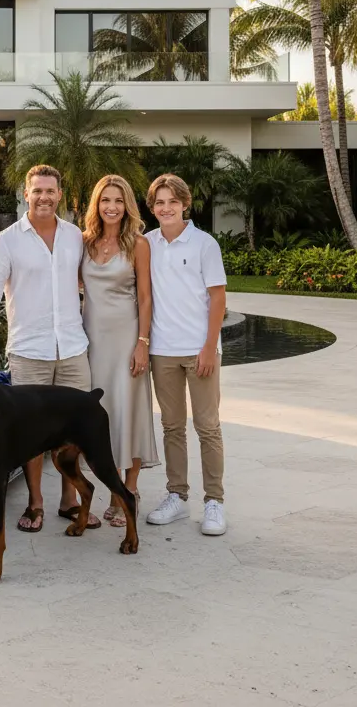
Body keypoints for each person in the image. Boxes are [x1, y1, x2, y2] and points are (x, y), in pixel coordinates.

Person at [0, 164, 99, 533]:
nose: (44, 197)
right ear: (25, 194)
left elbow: (95, 283)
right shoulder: (7, 240)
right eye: (37, 191)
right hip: (29, 351)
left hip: (73, 349)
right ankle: (36, 503)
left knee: (76, 430)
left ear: (60, 195)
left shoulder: (76, 237)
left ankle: (69, 501)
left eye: (50, 191)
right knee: (30, 436)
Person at [143, 173, 228, 536]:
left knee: (207, 427)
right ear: (152, 207)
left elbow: (218, 298)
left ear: (184, 204)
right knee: (171, 426)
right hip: (162, 351)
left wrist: (209, 347)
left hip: (199, 351)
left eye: (172, 202)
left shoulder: (204, 244)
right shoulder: (145, 244)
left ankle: (215, 502)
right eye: (159, 202)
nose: (166, 208)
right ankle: (177, 495)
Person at [80, 174, 158, 526]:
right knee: (101, 415)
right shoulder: (84, 242)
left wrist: (143, 343)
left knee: (129, 411)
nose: (112, 207)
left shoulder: (138, 244)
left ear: (128, 205)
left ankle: (130, 489)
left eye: (118, 201)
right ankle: (112, 489)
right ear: (96, 205)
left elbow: (145, 297)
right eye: (105, 200)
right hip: (92, 341)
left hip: (127, 338)